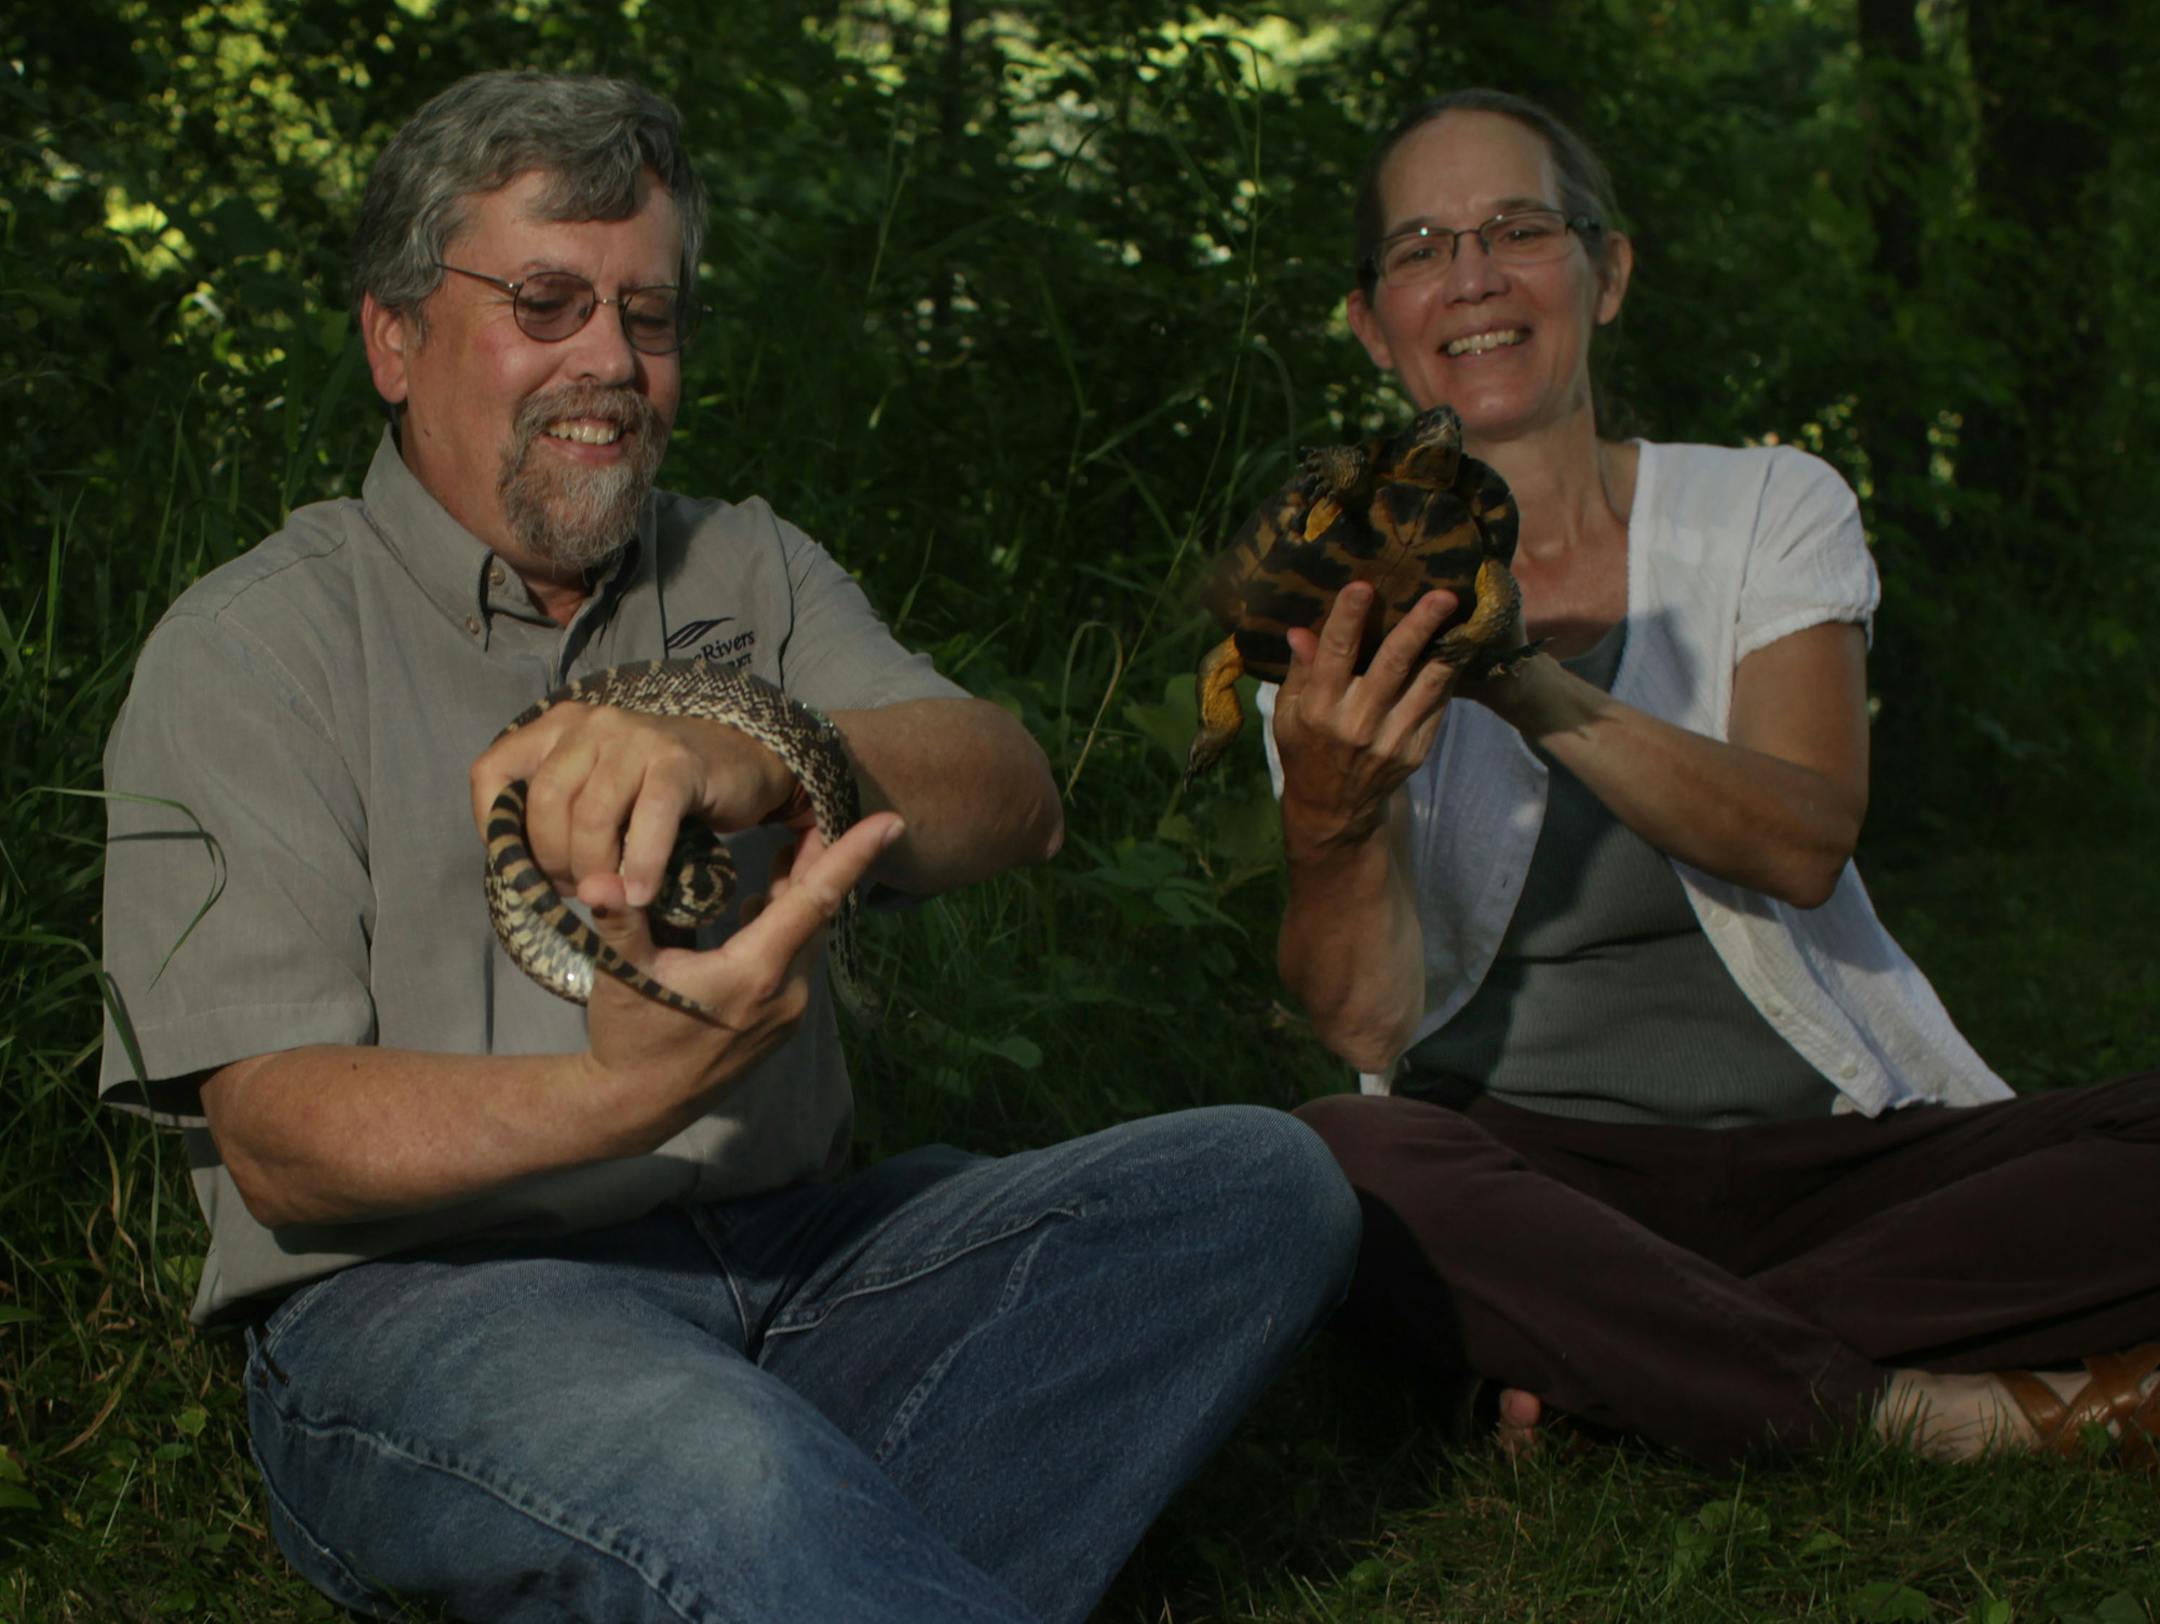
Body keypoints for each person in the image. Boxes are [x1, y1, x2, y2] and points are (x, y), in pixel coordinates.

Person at [98, 70, 1360, 1622]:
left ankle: (742, 1559)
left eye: (653, 314)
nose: (610, 362)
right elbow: (282, 1137)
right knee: (726, 1465)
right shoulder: (248, 648)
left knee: (1259, 1184)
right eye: (547, 302)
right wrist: (607, 1094)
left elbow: (1011, 794)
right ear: (395, 336)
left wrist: (755, 744)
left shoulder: (745, 562)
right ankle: (751, 1524)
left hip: (820, 1261)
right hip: (433, 1304)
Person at [1261, 87, 2160, 1470]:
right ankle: (1917, 1411)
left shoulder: (1768, 508)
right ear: (1375, 323)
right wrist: (1328, 819)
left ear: (1607, 272)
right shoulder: (1334, 596)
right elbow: (1367, 1029)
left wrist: (1535, 686)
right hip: (1537, 1178)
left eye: (1518, 228)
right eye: (1422, 246)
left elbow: (1802, 837)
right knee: (1335, 1159)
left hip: (1839, 1166)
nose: (1474, 276)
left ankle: (1617, 1371)